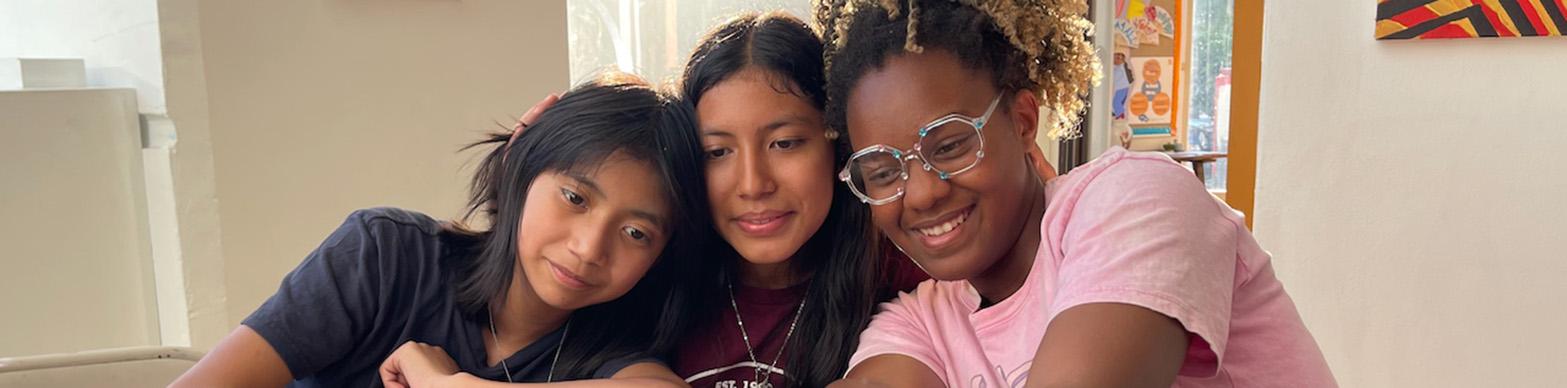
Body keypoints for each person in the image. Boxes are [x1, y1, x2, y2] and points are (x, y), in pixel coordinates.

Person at [812, 0, 1337, 386]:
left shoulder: (1136, 200)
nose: (921, 194)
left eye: (950, 145)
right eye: (882, 172)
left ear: (1022, 122)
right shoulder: (918, 321)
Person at [170, 73, 706, 388]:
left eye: (636, 233)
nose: (589, 248)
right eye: (574, 198)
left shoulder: (613, 355)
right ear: (521, 167)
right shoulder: (385, 257)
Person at [667, 12, 925, 388]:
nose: (753, 185)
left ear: (837, 144)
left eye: (784, 143)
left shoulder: (901, 278)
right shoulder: (659, 278)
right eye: (717, 152)